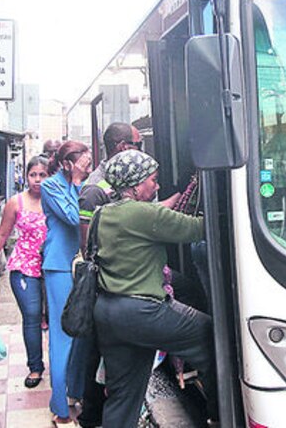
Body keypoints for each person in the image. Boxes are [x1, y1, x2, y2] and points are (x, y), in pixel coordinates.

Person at [91, 150, 218, 427]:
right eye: (153, 180)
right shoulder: (144, 215)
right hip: (144, 312)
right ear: (136, 186)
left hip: (108, 312)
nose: (157, 186)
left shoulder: (104, 213)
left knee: (123, 394)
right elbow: (198, 228)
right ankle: (218, 414)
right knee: (209, 335)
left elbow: (159, 215)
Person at [71, 122, 142, 427]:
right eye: (138, 145)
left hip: (121, 282)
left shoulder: (122, 179)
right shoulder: (95, 189)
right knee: (98, 352)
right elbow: (88, 247)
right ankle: (92, 416)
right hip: (106, 285)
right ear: (123, 148)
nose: (141, 151)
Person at [0, 156, 49, 389]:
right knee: (32, 315)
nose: (38, 180)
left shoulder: (55, 200)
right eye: (33, 175)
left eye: (43, 175)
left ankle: (60, 363)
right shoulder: (16, 202)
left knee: (55, 319)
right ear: (27, 177)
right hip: (24, 266)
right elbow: (2, 234)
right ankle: (35, 367)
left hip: (52, 267)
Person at [40, 140, 92, 426]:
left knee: (81, 333)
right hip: (59, 265)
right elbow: (74, 217)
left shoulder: (83, 185)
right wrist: (74, 183)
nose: (87, 167)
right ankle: (60, 406)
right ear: (67, 163)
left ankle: (75, 393)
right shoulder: (51, 186)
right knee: (63, 336)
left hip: (79, 266)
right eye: (83, 162)